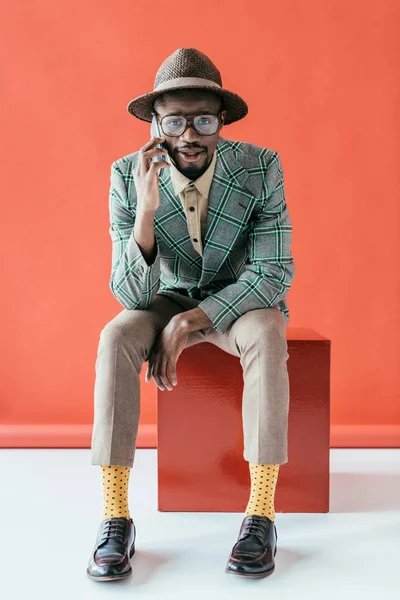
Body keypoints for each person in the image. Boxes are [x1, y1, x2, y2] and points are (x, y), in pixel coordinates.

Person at [87, 47, 295, 581]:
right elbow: (130, 295)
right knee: (115, 337)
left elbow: (273, 272)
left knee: (270, 333)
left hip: (239, 299)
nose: (189, 135)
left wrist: (191, 321)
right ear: (156, 124)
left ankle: (261, 515)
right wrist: (148, 211)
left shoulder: (260, 167)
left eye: (203, 119)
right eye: (175, 120)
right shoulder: (124, 176)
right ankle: (115, 518)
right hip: (163, 295)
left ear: (221, 120)